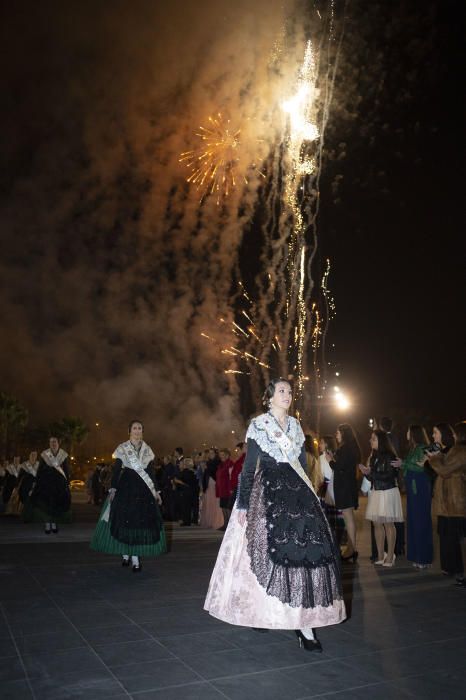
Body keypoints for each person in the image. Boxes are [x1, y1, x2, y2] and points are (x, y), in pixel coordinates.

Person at [204, 378, 346, 651]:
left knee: (306, 553)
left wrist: (312, 495)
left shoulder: (295, 425)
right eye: (282, 391)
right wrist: (243, 504)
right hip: (269, 491)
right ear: (269, 397)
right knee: (268, 553)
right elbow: (248, 468)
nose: (288, 394)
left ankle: (305, 625)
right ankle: (262, 611)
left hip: (298, 494)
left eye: (290, 391)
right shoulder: (259, 424)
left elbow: (303, 465)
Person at [90, 420, 166, 571]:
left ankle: (135, 559)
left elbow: (151, 473)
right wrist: (113, 488)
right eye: (134, 428)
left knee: (138, 523)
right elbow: (117, 470)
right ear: (129, 431)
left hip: (143, 491)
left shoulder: (147, 450)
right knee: (125, 521)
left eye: (139, 428)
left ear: (142, 431)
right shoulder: (122, 448)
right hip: (126, 488)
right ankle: (125, 552)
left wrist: (156, 491)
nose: (137, 431)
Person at [427, 422, 466, 584]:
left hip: (456, 501)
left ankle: (459, 571)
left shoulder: (461, 451)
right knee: (448, 536)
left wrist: (434, 458)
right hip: (447, 502)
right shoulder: (453, 450)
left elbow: (444, 470)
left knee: (458, 538)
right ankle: (453, 568)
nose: (453, 435)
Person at [361, 430, 404, 567]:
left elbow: (390, 476)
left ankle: (391, 555)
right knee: (377, 524)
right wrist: (367, 473)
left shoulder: (390, 455)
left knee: (388, 524)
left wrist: (371, 473)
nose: (370, 441)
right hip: (376, 491)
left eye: (373, 439)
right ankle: (380, 555)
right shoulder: (374, 456)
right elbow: (373, 476)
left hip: (387, 491)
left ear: (381, 440)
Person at [396, 425, 433, 568]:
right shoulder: (413, 448)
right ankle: (416, 555)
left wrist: (403, 463)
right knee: (413, 521)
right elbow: (411, 466)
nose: (406, 433)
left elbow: (421, 467)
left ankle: (424, 558)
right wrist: (402, 464)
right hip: (413, 489)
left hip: (420, 488)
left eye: (408, 431)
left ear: (413, 434)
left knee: (421, 521)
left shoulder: (424, 448)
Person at [328, 423, 362, 562]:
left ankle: (352, 550)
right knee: (349, 518)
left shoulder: (346, 448)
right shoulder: (349, 448)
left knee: (348, 518)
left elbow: (339, 467)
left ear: (344, 433)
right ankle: (350, 548)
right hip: (347, 486)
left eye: (338, 432)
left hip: (345, 487)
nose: (336, 435)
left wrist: (330, 460)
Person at [29, 437, 71, 533]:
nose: (53, 443)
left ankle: (54, 523)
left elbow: (66, 469)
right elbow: (39, 469)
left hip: (59, 484)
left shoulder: (63, 454)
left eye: (55, 442)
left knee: (56, 504)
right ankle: (47, 524)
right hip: (46, 483)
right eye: (51, 442)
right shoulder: (45, 454)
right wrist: (36, 481)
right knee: (46, 505)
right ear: (49, 443)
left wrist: (68, 482)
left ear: (58, 443)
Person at [318, 435, 345, 546]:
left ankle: (334, 541)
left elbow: (321, 475)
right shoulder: (325, 457)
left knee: (332, 516)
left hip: (329, 488)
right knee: (333, 517)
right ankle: (334, 541)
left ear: (327, 444)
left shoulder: (329, 457)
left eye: (322, 443)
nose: (320, 445)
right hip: (329, 488)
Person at [199, 448, 223, 529]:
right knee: (208, 502)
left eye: (212, 453)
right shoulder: (208, 462)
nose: (210, 454)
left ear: (215, 454)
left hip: (214, 483)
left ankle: (215, 520)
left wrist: (207, 468)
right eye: (209, 453)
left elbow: (215, 472)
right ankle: (209, 520)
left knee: (214, 502)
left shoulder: (218, 462)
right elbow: (205, 475)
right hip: (208, 484)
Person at [174, 457, 200, 526]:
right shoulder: (195, 471)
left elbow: (181, 481)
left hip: (186, 492)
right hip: (194, 491)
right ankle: (195, 520)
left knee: (186, 507)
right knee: (195, 506)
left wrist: (178, 481)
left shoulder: (184, 472)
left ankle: (186, 521)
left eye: (184, 463)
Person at [216, 448, 235, 531]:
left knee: (228, 507)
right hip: (221, 489)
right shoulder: (221, 465)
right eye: (220, 455)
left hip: (227, 489)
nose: (221, 457)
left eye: (223, 455)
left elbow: (232, 477)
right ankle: (225, 524)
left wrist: (231, 489)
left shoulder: (230, 464)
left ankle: (229, 525)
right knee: (223, 507)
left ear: (228, 455)